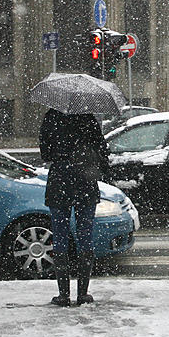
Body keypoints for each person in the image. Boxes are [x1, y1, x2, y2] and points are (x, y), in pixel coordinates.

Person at [40, 109, 110, 307]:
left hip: (59, 181)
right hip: (85, 180)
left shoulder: (51, 117)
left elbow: (45, 153)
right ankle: (83, 293)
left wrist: (62, 155)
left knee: (60, 236)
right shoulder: (88, 118)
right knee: (85, 235)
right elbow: (102, 150)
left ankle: (63, 294)